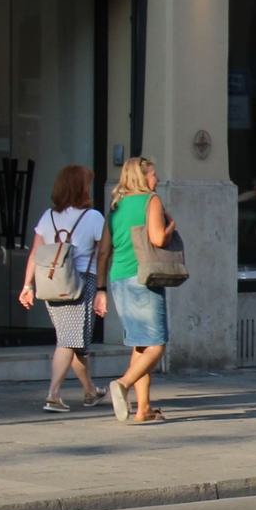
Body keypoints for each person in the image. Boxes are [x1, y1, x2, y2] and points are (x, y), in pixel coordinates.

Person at [18, 165, 107, 413]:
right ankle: (53, 393)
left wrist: (28, 285)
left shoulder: (48, 217)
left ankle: (89, 390)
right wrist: (102, 288)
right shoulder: (93, 217)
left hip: (51, 284)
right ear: (81, 188)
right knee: (68, 341)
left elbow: (35, 254)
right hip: (80, 284)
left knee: (75, 341)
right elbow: (103, 253)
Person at [103, 157, 175, 424]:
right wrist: (170, 227)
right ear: (142, 178)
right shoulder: (150, 201)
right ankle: (122, 383)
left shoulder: (116, 206)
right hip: (144, 276)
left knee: (140, 344)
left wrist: (100, 287)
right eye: (154, 174)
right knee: (157, 344)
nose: (156, 179)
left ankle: (143, 408)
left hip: (119, 278)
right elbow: (157, 238)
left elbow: (103, 251)